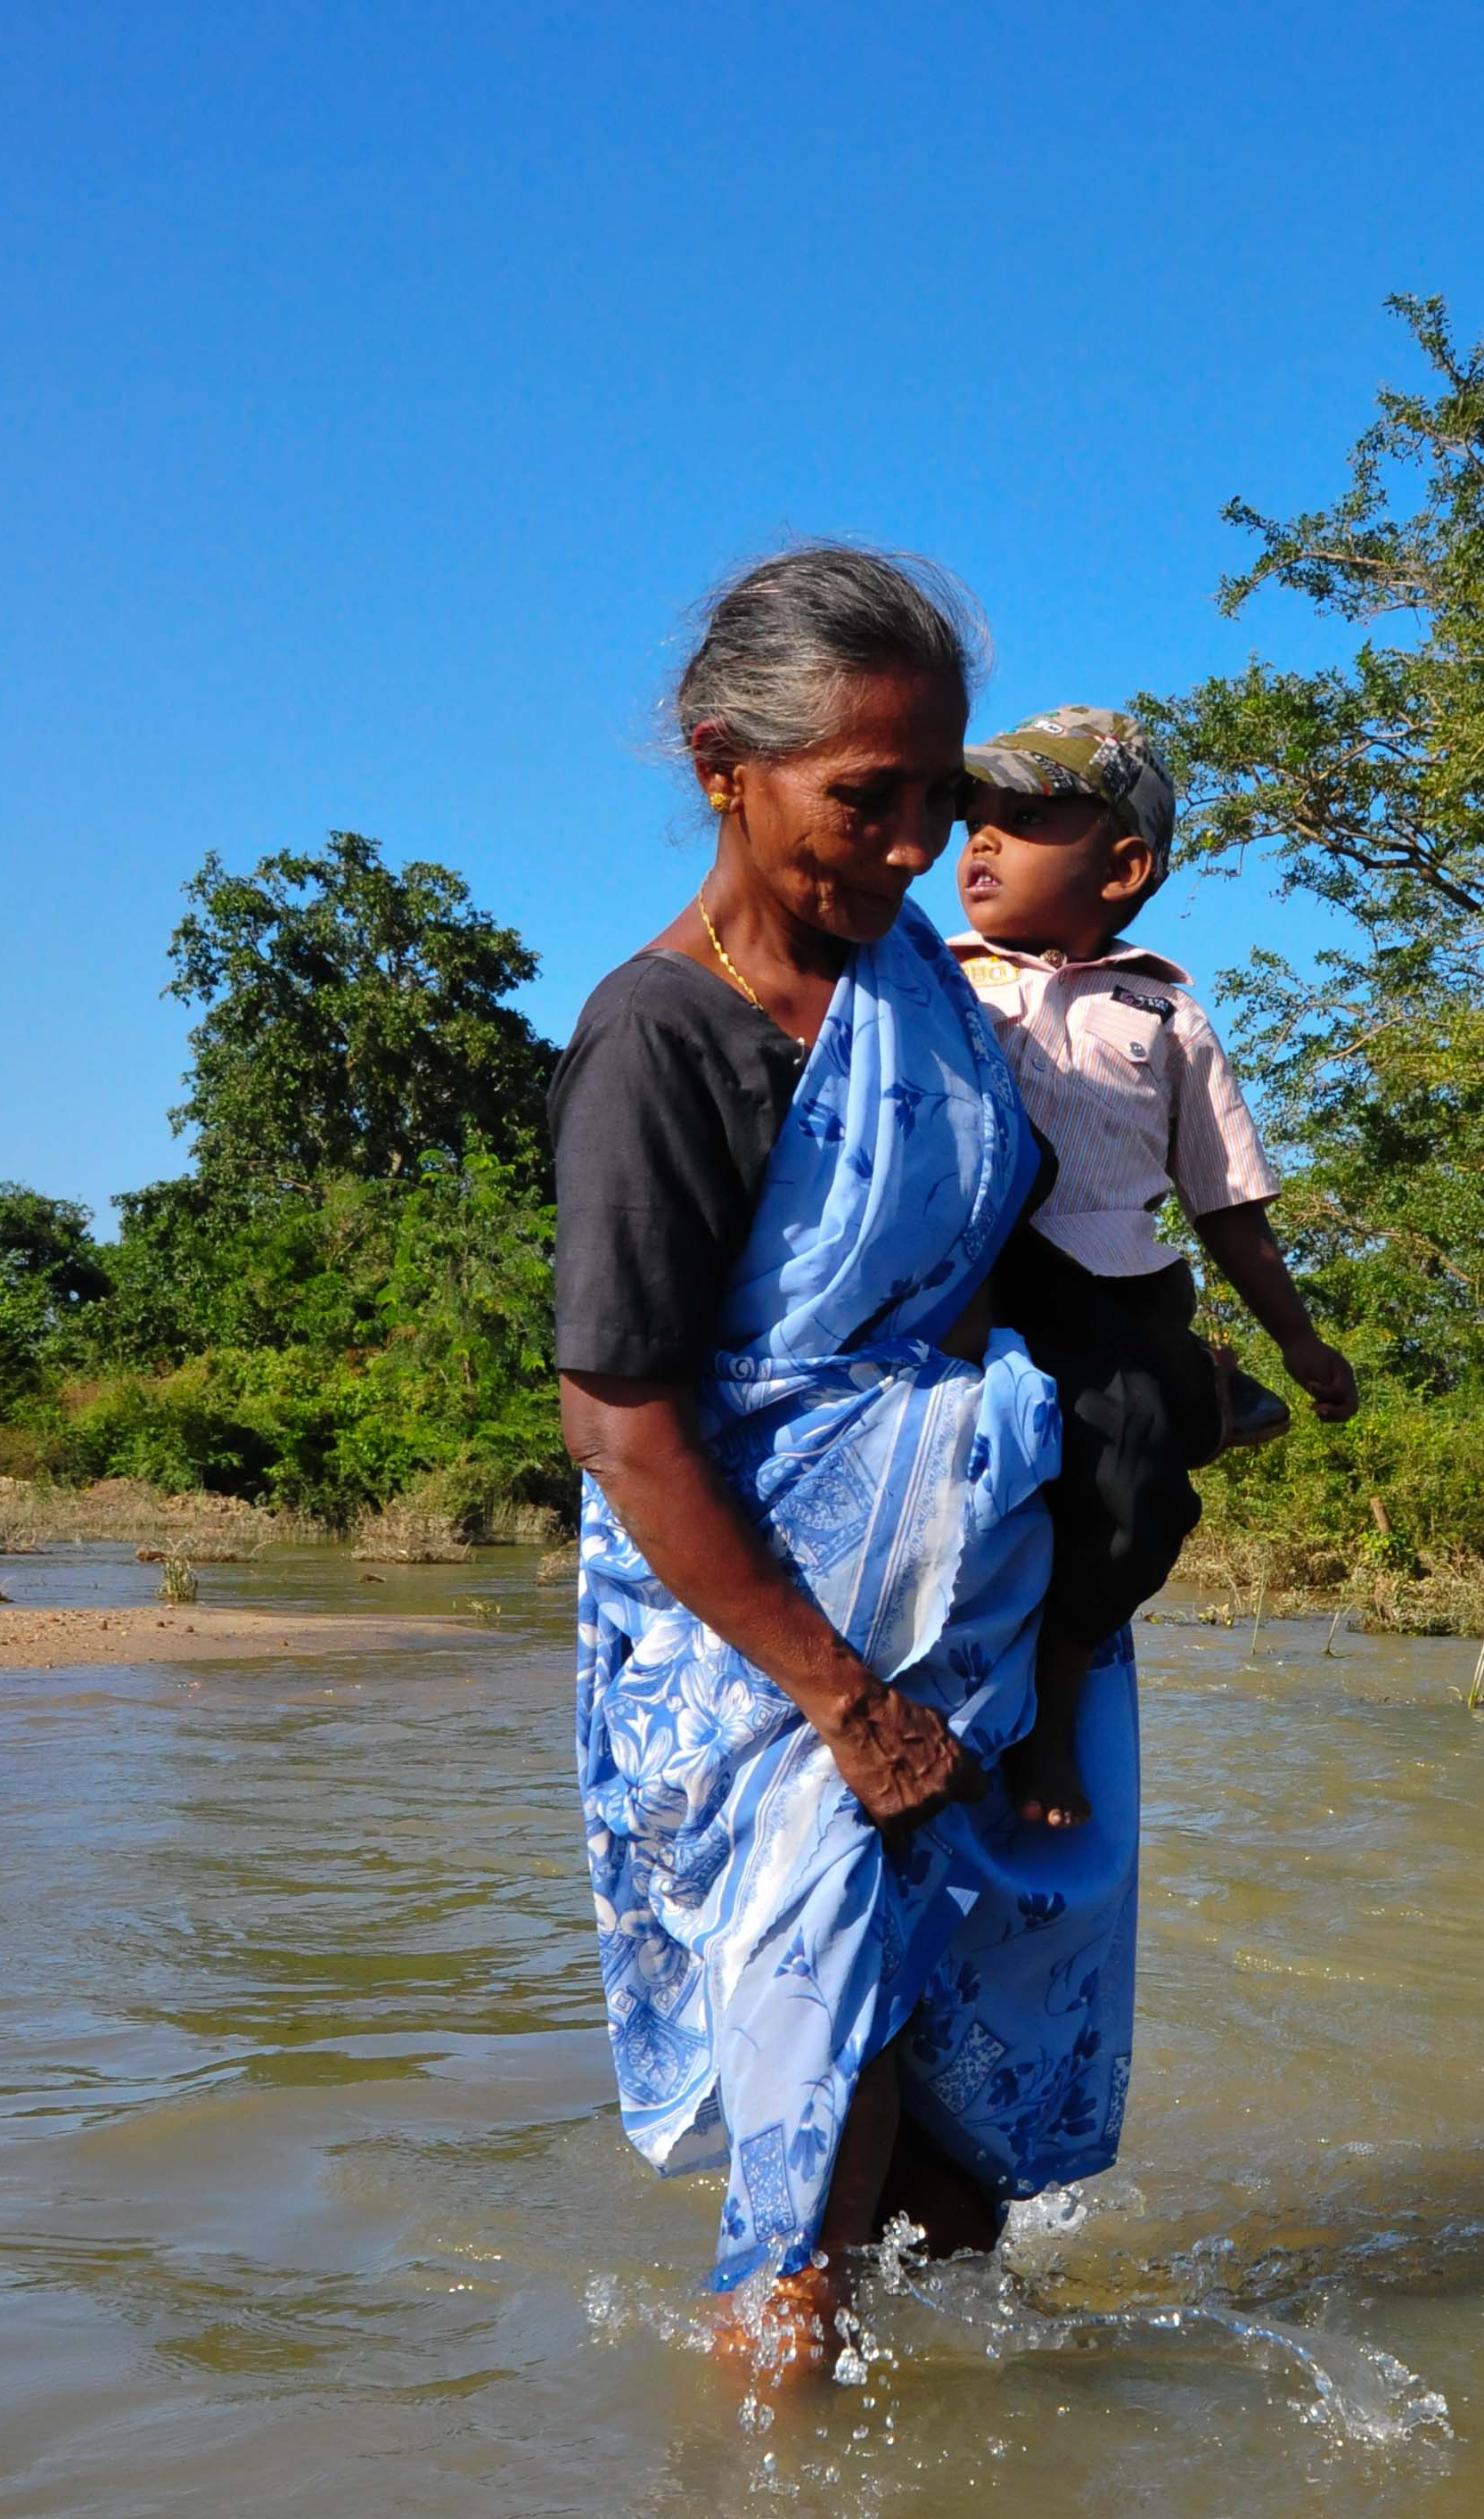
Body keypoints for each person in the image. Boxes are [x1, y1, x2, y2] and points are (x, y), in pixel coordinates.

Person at [551, 548, 1137, 2375]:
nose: (900, 850)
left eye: (930, 805)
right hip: (786, 1666)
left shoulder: (931, 1006)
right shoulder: (665, 1036)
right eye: (857, 802)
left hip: (983, 1614)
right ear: (726, 764)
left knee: (958, 2185)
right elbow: (624, 1420)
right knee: (803, 2200)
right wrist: (841, 1700)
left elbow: (1004, 1274)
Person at [948, 707, 1360, 1831]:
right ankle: (1200, 1396)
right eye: (973, 818)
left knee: (1131, 1499)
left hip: (1109, 1279)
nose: (978, 843)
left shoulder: (1164, 1011)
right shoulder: (927, 984)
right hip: (967, 1277)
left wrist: (1300, 1339)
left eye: (1024, 821)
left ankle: (1052, 1710)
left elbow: (1225, 1201)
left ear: (1123, 866)